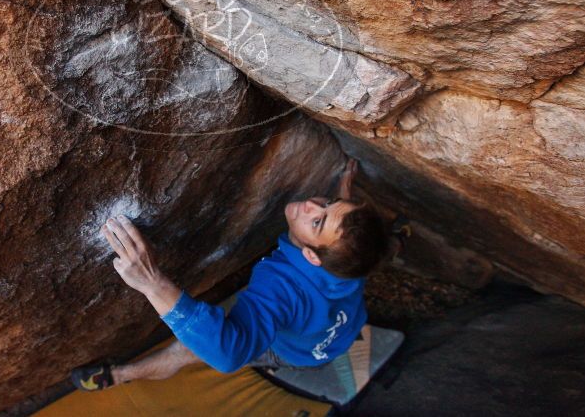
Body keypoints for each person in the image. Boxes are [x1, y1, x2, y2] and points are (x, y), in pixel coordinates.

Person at [71, 158, 389, 391]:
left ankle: (120, 375)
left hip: (298, 352)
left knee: (191, 348)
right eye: (328, 203)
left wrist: (152, 282)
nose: (310, 204)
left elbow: (228, 354)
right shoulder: (352, 258)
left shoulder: (281, 288)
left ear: (309, 256)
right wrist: (343, 189)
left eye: (317, 222)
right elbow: (347, 233)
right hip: (341, 329)